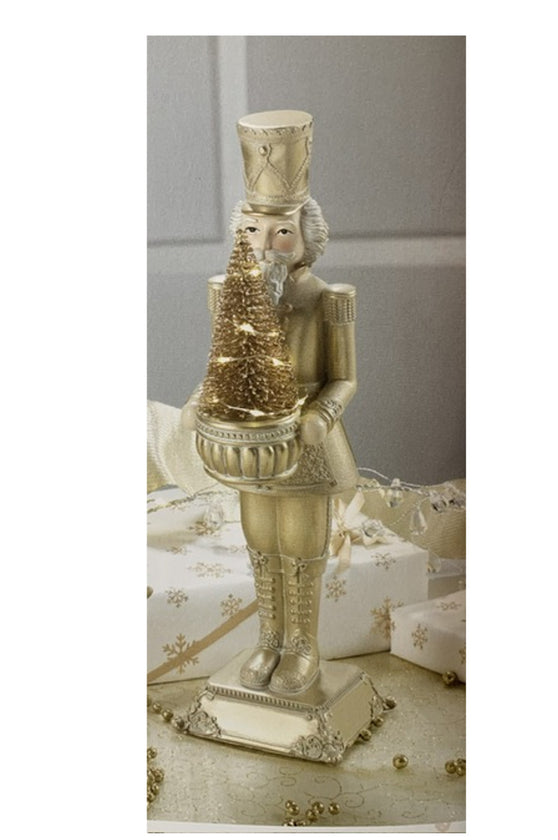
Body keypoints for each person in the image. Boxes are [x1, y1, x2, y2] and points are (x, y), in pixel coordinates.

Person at [184, 111, 358, 695]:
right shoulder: (228, 297)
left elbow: (344, 379)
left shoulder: (329, 301)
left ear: (307, 238)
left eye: (281, 232)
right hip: (250, 441)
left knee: (301, 548)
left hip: (304, 440)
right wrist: (199, 401)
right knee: (262, 543)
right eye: (253, 231)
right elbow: (220, 364)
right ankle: (270, 639)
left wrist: (320, 416)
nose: (265, 245)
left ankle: (303, 646)